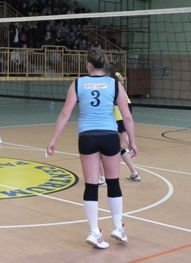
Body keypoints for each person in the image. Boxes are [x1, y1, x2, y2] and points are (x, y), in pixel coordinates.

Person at [47, 48, 137, 249]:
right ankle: (117, 227)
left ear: (89, 65)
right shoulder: (114, 84)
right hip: (109, 136)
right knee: (113, 182)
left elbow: (65, 114)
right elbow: (127, 116)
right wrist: (132, 141)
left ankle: (95, 232)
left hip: (87, 137)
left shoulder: (78, 83)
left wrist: (54, 140)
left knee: (91, 185)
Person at [108, 65, 141, 182]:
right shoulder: (117, 81)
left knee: (107, 148)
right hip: (125, 111)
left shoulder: (109, 86)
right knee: (119, 148)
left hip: (117, 115)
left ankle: (104, 177)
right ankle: (134, 173)